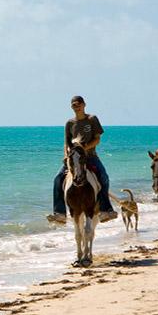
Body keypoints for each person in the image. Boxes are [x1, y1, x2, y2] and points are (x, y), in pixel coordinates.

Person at [48, 95, 117, 224]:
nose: (77, 106)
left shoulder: (92, 119)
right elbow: (66, 143)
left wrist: (84, 149)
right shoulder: (69, 123)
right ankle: (60, 213)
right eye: (74, 105)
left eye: (79, 104)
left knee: (103, 177)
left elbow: (97, 139)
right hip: (73, 158)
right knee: (57, 178)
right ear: (71, 107)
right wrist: (65, 155)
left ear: (84, 105)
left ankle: (105, 210)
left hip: (90, 156)